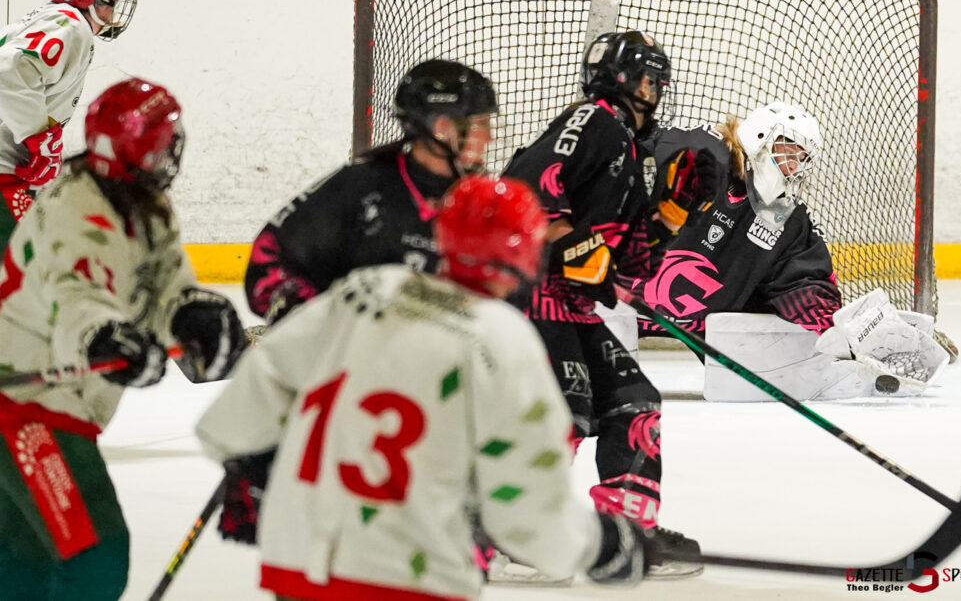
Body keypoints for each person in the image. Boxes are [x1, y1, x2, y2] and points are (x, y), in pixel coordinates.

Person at [196, 176, 652, 601]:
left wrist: (257, 467)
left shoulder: (367, 288)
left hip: (295, 558)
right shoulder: (502, 336)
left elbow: (235, 414)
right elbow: (527, 515)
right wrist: (601, 545)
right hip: (405, 575)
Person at [0, 78, 245, 600]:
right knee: (94, 559)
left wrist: (190, 313)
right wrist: (105, 338)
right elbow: (76, 298)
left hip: (47, 402)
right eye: (164, 139)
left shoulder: (143, 203)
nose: (173, 148)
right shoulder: (75, 214)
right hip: (22, 404)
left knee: (26, 565)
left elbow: (165, 283)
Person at [501, 30, 701, 579]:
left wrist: (670, 215)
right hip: (530, 296)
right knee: (562, 412)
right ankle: (507, 531)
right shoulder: (594, 120)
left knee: (633, 403)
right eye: (652, 81)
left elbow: (630, 267)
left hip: (568, 305)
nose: (657, 93)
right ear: (628, 82)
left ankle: (625, 532)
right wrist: (571, 246)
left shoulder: (631, 153)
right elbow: (526, 189)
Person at [635, 102, 946, 400]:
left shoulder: (786, 220)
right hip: (619, 303)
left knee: (753, 386)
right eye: (789, 152)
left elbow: (803, 283)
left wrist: (841, 334)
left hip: (705, 326)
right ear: (760, 137)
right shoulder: (692, 152)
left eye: (803, 158)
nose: (795, 166)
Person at [244, 59, 496, 325]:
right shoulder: (360, 187)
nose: (490, 137)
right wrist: (330, 329)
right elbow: (267, 260)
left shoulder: (482, 202)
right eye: (482, 124)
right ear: (442, 128)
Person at [0, 0, 136, 255]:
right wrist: (39, 141)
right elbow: (7, 70)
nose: (116, 3)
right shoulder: (72, 25)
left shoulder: (49, 19)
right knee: (33, 271)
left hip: (10, 172)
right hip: (5, 176)